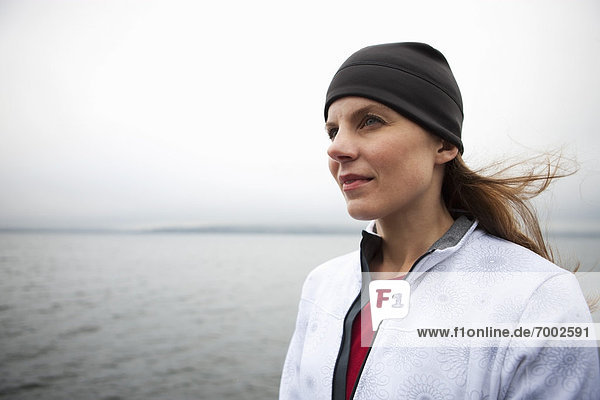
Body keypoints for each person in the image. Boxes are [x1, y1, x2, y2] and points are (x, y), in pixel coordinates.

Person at [279, 43, 599, 400]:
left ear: (444, 144)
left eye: (370, 121)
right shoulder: (323, 285)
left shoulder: (538, 298)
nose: (337, 148)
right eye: (332, 131)